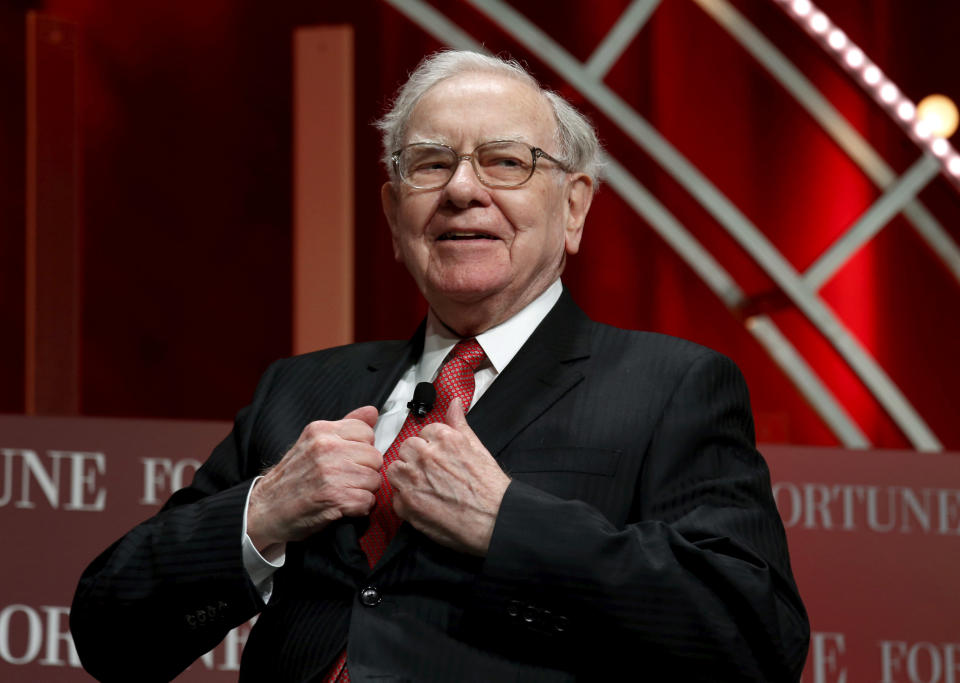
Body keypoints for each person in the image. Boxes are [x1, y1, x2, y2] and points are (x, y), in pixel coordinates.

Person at [71, 50, 809, 682]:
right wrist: (263, 512)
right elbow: (111, 631)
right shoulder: (302, 391)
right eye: (430, 163)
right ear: (395, 215)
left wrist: (508, 522)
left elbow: (755, 635)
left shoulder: (670, 386)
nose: (462, 189)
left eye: (505, 161)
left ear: (574, 207)